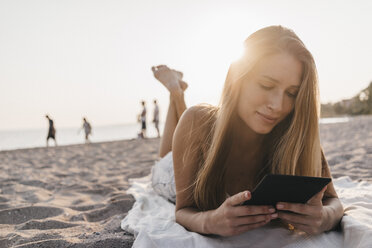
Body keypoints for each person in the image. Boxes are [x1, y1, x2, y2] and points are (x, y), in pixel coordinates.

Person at [150, 26, 344, 237]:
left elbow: (333, 201)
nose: (278, 106)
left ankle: (177, 91)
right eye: (266, 85)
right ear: (237, 78)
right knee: (164, 157)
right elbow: (183, 210)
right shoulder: (197, 120)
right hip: (169, 175)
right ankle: (175, 93)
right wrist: (209, 221)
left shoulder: (297, 137)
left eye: (292, 93)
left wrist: (324, 217)